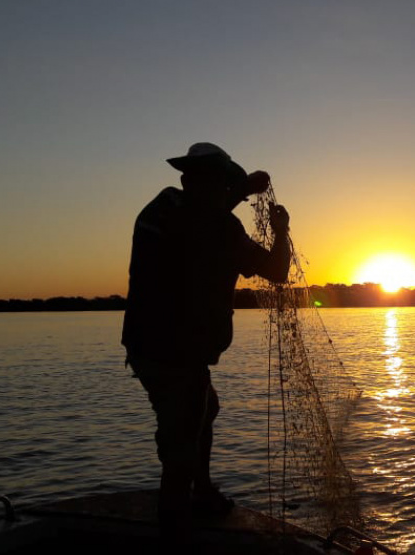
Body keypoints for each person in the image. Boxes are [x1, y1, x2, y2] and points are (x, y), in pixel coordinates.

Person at [122, 142, 290, 545]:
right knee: (179, 450)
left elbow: (197, 217)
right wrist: (280, 229)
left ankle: (204, 492)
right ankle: (177, 530)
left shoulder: (161, 207)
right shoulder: (221, 229)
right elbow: (277, 271)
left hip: (144, 346)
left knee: (206, 408)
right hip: (177, 353)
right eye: (222, 183)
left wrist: (241, 192)